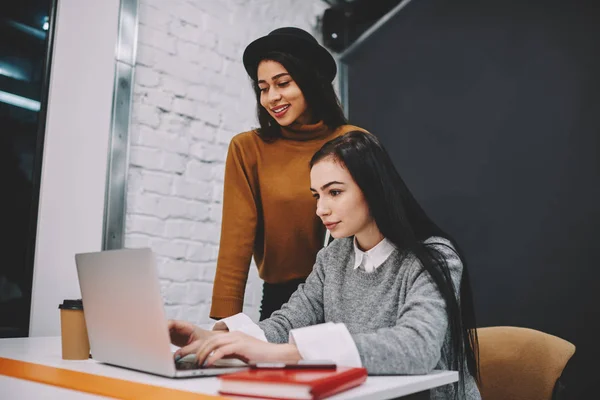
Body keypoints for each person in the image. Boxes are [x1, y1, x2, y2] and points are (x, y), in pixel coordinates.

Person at [171, 131, 481, 399]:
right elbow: (289, 321)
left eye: (334, 192)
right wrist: (220, 341)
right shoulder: (333, 257)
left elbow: (417, 347)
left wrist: (290, 354)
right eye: (317, 195)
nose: (321, 208)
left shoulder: (435, 256)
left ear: (373, 190)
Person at [210, 27, 367, 321]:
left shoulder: (354, 141)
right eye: (263, 87)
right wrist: (225, 321)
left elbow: (382, 224)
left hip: (352, 296)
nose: (272, 97)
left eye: (283, 83)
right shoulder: (248, 148)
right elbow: (236, 238)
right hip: (282, 301)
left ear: (310, 81)